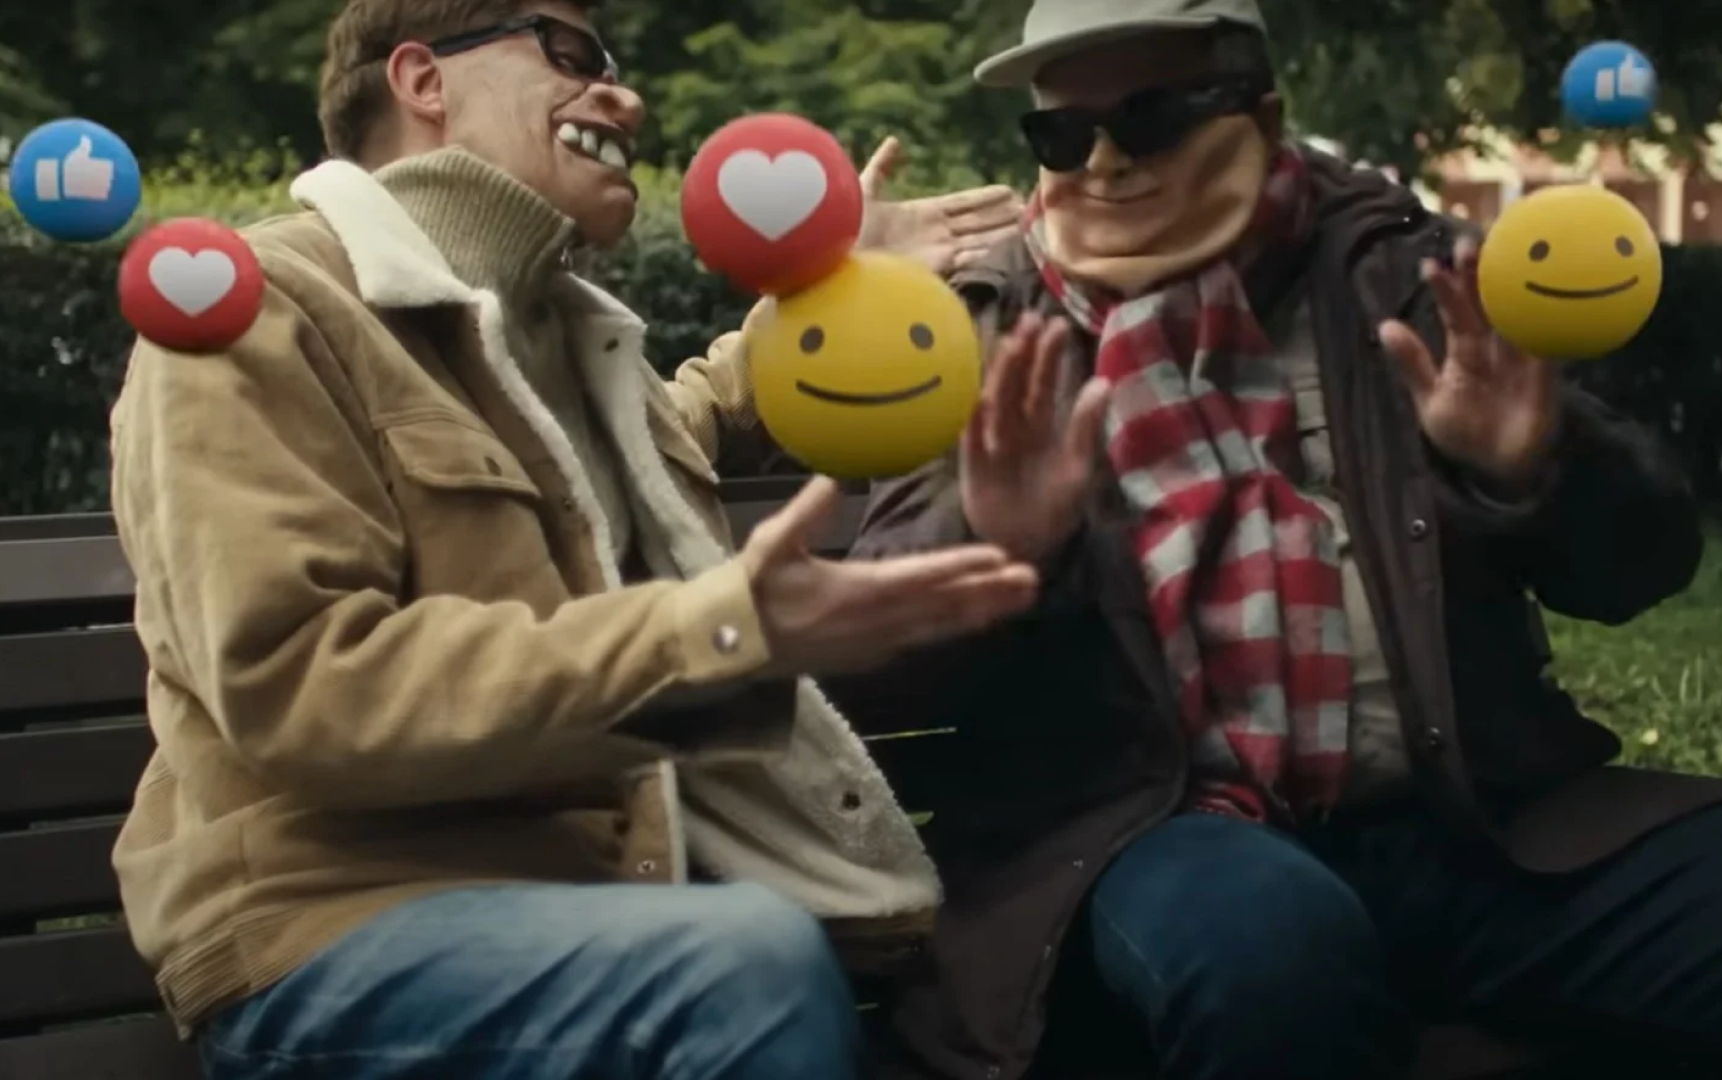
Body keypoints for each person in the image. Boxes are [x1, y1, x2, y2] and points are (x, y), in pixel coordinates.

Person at [842, 2, 1722, 1078]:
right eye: (1064, 136)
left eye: (1156, 116)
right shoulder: (987, 329)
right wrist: (996, 544)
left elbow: (1642, 563)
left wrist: (1528, 470)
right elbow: (871, 668)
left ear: (1261, 115)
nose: (1108, 164)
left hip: (1467, 824)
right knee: (1270, 947)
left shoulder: (1401, 276)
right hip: (1146, 832)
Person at [107, 2, 1035, 1078]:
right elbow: (301, 687)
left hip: (592, 919)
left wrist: (840, 289)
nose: (622, 95)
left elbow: (668, 434)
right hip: (329, 935)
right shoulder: (253, 308)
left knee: (1010, 959)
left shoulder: (553, 334)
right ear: (420, 79)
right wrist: (723, 634)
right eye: (570, 54)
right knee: (750, 969)